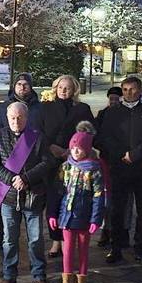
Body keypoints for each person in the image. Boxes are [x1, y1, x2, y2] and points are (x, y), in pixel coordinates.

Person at [0, 102, 55, 283]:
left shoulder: (38, 137)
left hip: (33, 196)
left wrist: (26, 178)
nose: (16, 121)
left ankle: (39, 277)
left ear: (26, 118)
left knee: (35, 239)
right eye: (12, 118)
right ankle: (9, 277)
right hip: (9, 197)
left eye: (19, 117)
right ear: (7, 118)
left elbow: (48, 161)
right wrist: (11, 178)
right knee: (9, 240)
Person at [95, 76, 142, 265]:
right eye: (124, 89)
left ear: (140, 90)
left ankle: (140, 248)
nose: (128, 93)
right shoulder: (112, 112)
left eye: (132, 89)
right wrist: (121, 154)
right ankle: (116, 248)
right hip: (119, 168)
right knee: (117, 210)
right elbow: (104, 137)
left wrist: (135, 154)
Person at [38, 75, 94, 258]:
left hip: (74, 161)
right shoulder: (44, 107)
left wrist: (73, 150)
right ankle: (55, 240)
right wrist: (51, 147)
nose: (63, 90)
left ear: (74, 90)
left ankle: (67, 239)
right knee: (52, 202)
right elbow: (36, 131)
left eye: (67, 88)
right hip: (50, 160)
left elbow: (89, 132)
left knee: (70, 201)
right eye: (61, 87)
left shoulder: (82, 109)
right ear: (55, 88)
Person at [49, 126, 106, 283]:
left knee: (82, 249)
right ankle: (67, 281)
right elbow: (57, 191)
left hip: (84, 217)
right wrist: (52, 213)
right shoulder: (65, 167)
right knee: (67, 250)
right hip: (66, 216)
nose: (75, 151)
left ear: (87, 149)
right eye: (73, 148)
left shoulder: (94, 170)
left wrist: (96, 219)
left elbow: (98, 196)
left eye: (79, 148)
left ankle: (81, 281)